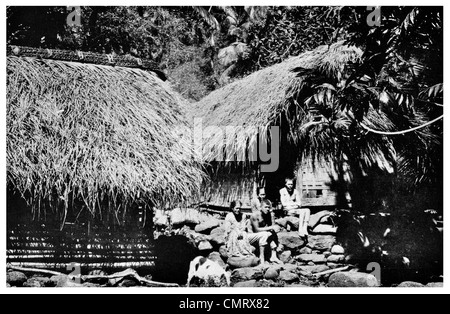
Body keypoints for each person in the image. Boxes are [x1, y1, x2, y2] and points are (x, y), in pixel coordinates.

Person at [248, 200, 282, 264]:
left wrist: (272, 218)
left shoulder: (268, 215)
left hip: (262, 235)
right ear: (261, 207)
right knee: (265, 234)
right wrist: (271, 227)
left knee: (271, 232)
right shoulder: (255, 215)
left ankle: (273, 256)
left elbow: (272, 226)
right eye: (265, 207)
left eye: (269, 207)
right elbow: (256, 230)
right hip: (251, 236)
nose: (267, 209)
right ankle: (262, 258)